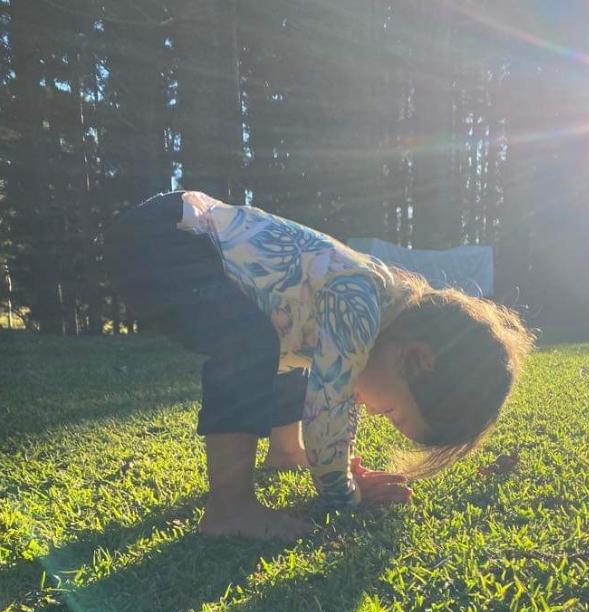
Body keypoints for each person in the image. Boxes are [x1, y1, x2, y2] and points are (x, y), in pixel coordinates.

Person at [103, 190, 534, 541]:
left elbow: (315, 382)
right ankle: (229, 509)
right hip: (172, 238)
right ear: (416, 358)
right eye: (391, 412)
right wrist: (340, 493)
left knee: (280, 352)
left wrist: (319, 460)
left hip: (172, 233)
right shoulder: (364, 303)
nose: (371, 410)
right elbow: (327, 406)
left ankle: (285, 452)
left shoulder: (371, 303)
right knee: (249, 344)